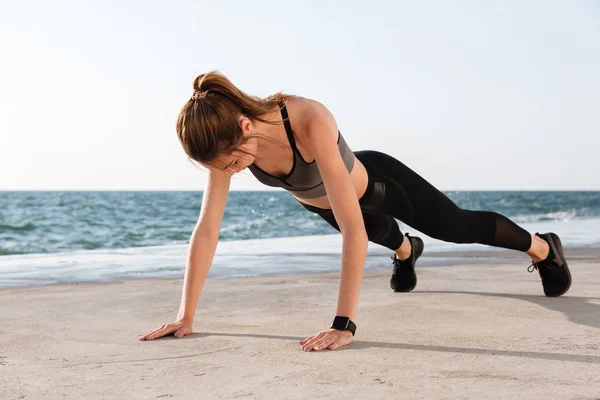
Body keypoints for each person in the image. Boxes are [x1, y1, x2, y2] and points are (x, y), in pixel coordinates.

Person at [138, 71, 572, 352]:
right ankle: (407, 252)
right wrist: (186, 314)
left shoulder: (307, 120)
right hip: (327, 207)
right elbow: (207, 229)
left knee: (457, 226)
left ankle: (542, 247)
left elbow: (352, 229)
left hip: (380, 188)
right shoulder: (226, 148)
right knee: (384, 235)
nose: (230, 172)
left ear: (244, 125)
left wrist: (344, 323)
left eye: (232, 163)